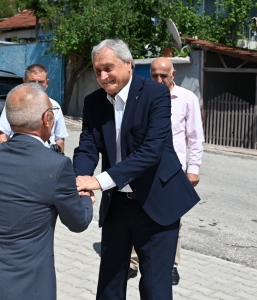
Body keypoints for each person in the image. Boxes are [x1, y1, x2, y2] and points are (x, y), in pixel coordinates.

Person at [73, 39, 200, 300]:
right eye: (97, 71)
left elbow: (151, 152)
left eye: (108, 68)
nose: (103, 76)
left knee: (155, 288)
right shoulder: (93, 102)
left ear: (128, 64)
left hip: (156, 203)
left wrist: (99, 181)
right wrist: (79, 180)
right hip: (117, 204)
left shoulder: (155, 94)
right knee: (109, 283)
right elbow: (87, 146)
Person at [0, 83, 94, 300]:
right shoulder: (56, 165)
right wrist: (86, 197)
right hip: (28, 283)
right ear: (47, 119)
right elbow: (78, 222)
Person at [128, 57, 205, 285]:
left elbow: (195, 137)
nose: (159, 80)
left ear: (174, 75)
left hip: (173, 170)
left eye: (164, 76)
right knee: (138, 213)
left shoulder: (186, 99)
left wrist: (193, 169)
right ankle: (133, 261)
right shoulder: (142, 96)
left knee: (172, 217)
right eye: (154, 76)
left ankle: (170, 264)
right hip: (144, 168)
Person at [0, 63, 68, 153]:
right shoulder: (15, 104)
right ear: (25, 81)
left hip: (47, 159)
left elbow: (59, 138)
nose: (37, 85)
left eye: (41, 82)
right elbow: (2, 136)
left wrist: (57, 160)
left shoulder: (55, 106)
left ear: (47, 83)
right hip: (19, 155)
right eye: (32, 82)